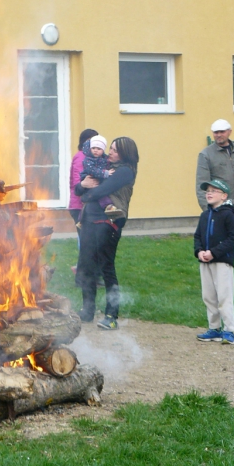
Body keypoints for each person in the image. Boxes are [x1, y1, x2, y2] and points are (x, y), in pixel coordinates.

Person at [74, 136, 139, 330]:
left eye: (115, 150)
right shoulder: (102, 166)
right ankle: (87, 311)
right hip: (89, 220)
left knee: (106, 267)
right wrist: (83, 186)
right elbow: (79, 188)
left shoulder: (125, 171)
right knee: (86, 266)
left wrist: (87, 193)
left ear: (125, 154)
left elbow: (99, 191)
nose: (110, 152)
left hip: (109, 222)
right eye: (111, 148)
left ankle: (111, 315)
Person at [194, 178, 234, 344]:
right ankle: (214, 328)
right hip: (205, 262)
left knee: (224, 296)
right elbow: (197, 236)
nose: (209, 193)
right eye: (208, 191)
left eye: (214, 191)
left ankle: (229, 330)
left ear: (224, 196)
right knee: (209, 296)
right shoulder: (204, 215)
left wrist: (214, 252)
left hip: (222, 261)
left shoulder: (229, 214)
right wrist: (199, 251)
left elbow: (233, 237)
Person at [196, 119, 234, 209]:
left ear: (229, 132)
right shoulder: (206, 154)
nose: (219, 135)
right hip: (221, 208)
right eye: (216, 132)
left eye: (222, 132)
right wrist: (208, 210)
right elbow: (201, 185)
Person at [80, 135, 125, 218]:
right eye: (93, 148)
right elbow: (92, 170)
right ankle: (108, 207)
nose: (95, 151)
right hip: (91, 177)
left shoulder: (105, 158)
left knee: (96, 197)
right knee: (100, 196)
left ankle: (82, 218)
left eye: (99, 149)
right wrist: (105, 173)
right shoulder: (88, 160)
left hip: (98, 179)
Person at [68, 128, 98, 227]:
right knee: (85, 234)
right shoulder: (81, 156)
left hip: (87, 203)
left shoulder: (93, 157)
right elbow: (77, 181)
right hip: (79, 205)